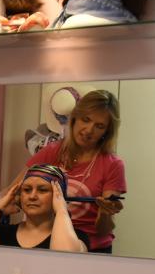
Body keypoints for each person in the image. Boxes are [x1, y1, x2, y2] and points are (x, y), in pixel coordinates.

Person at [26, 90, 125, 253]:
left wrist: (106, 213)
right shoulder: (51, 151)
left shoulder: (113, 165)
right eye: (85, 119)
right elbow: (12, 192)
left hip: (93, 249)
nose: (88, 130)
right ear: (75, 118)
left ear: (106, 132)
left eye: (99, 126)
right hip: (49, 242)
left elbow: (103, 229)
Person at [0, 165, 88, 251]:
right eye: (26, 190)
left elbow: (65, 259)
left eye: (42, 190)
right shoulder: (3, 233)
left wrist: (61, 209)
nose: (32, 196)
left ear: (58, 196)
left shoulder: (77, 237)